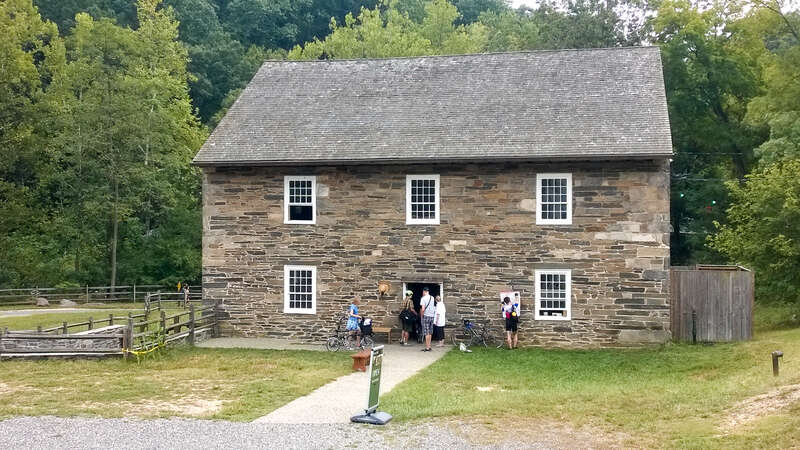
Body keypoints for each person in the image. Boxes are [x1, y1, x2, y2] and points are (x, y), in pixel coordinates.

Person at [419, 287, 436, 352]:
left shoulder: (423, 298)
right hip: (432, 316)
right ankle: (429, 346)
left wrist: (421, 315)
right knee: (430, 332)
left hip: (426, 316)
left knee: (426, 332)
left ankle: (427, 347)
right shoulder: (432, 297)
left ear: (424, 291)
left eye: (423, 292)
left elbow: (423, 309)